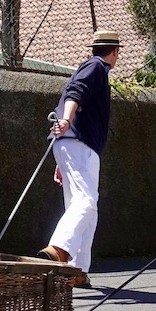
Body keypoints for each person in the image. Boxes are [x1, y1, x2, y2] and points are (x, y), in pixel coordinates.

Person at [36, 29, 122, 287]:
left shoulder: (93, 67)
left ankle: (78, 270)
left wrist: (62, 158)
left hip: (71, 145)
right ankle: (58, 250)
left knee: (85, 207)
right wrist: (66, 121)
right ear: (116, 52)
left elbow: (73, 94)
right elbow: (75, 92)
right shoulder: (95, 67)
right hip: (79, 143)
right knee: (86, 201)